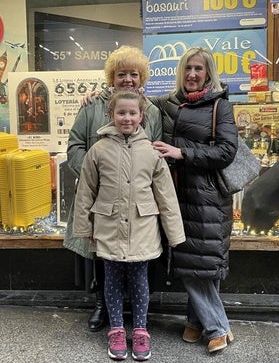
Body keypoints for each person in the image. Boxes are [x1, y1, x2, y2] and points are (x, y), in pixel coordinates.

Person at [72, 91, 185, 361]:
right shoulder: (98, 150)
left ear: (141, 116)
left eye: (132, 113)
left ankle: (141, 328)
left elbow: (166, 195)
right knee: (110, 279)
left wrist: (174, 233)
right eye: (121, 113)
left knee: (139, 280)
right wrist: (83, 229)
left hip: (142, 228)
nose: (127, 118)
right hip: (109, 227)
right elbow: (86, 191)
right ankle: (117, 330)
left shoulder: (152, 151)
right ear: (111, 114)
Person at [63, 45, 163, 333]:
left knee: (136, 255)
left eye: (134, 74)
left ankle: (133, 313)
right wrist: (96, 174)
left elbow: (155, 151)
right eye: (122, 74)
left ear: (141, 76)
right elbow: (75, 145)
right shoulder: (92, 106)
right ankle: (101, 305)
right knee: (101, 252)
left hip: (136, 198)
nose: (128, 79)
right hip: (99, 196)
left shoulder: (152, 111)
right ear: (112, 77)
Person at [150, 46, 238, 353]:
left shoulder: (219, 105)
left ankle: (217, 327)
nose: (192, 74)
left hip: (208, 197)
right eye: (188, 68)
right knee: (196, 262)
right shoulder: (167, 103)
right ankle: (195, 320)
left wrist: (182, 153)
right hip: (175, 194)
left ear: (208, 73)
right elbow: (130, 101)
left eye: (199, 69)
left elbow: (227, 152)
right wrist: (97, 95)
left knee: (199, 261)